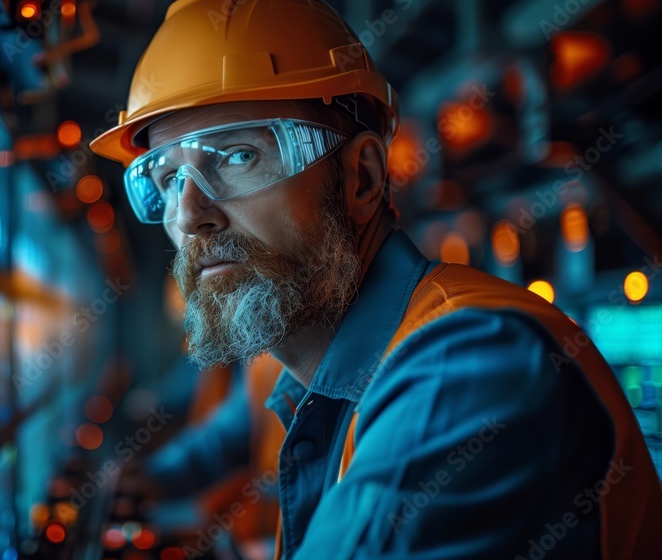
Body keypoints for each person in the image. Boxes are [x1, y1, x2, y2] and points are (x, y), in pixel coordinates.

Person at [89, 0, 662, 558]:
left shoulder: (471, 363)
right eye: (164, 180)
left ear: (360, 178)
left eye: (237, 156)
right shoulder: (295, 367)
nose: (189, 214)